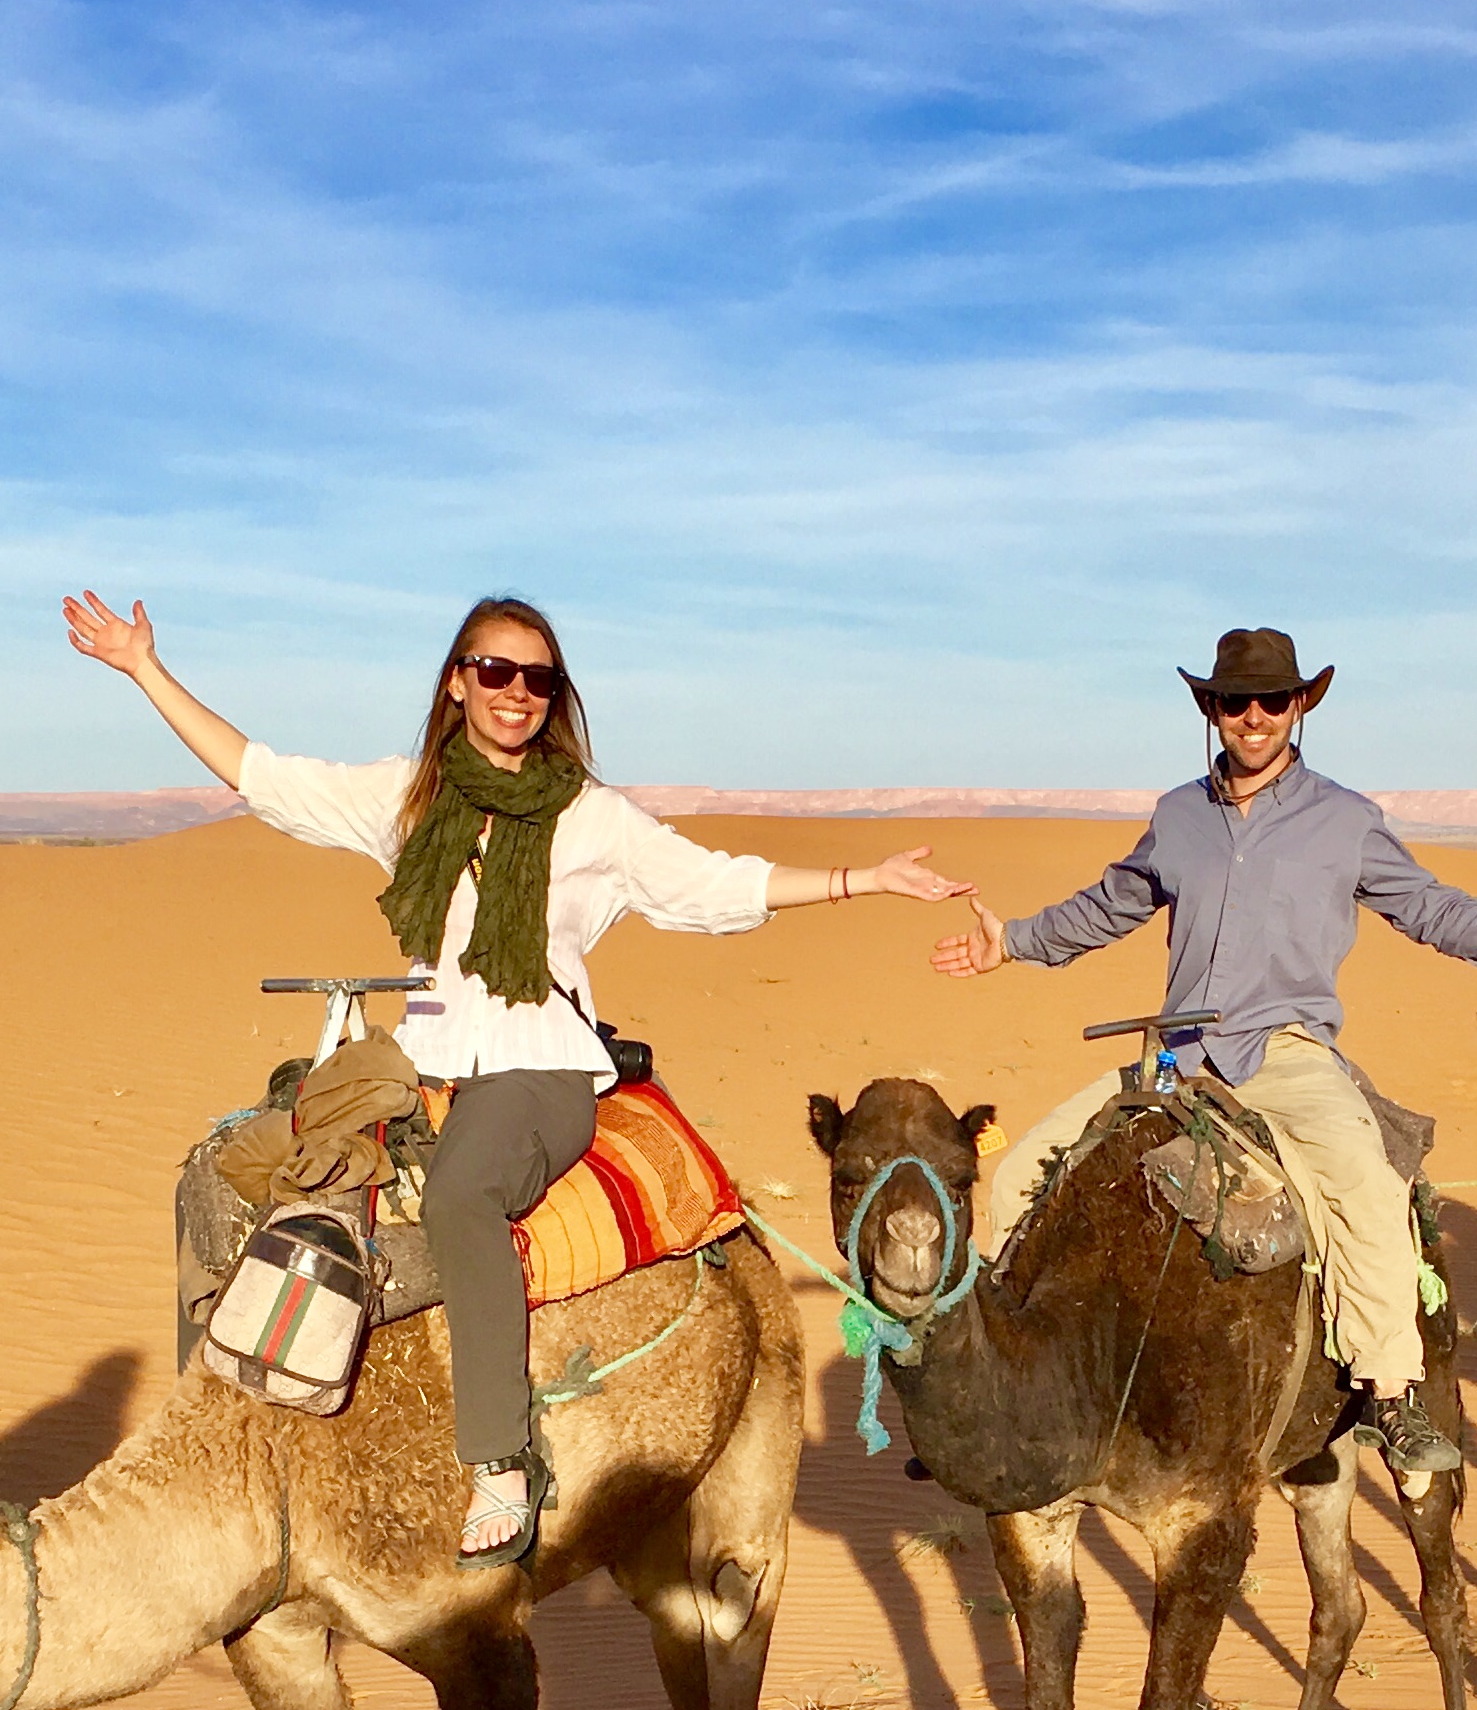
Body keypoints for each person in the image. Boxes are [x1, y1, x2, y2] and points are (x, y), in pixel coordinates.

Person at [64, 586, 974, 1560]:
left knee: (461, 1199)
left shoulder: (593, 817)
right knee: (230, 1163)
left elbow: (713, 887)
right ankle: (214, 1434)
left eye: (537, 678)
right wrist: (144, 669)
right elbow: (262, 774)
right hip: (423, 1064)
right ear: (458, 682)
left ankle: (502, 1458)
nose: (517, 693)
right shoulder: (408, 796)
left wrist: (860, 880)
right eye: (496, 671)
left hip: (539, 1073)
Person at [930, 626, 1477, 1478]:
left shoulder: (1344, 820)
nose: (1253, 716)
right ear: (1211, 710)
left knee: (1363, 1181)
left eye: (1272, 699)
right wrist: (1011, 942)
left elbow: (1431, 909)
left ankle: (1390, 1389)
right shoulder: (1177, 816)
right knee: (1017, 1179)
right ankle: (998, 1391)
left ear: (1299, 706)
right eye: (1235, 701)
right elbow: (1111, 903)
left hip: (1285, 1051)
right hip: (1174, 1054)